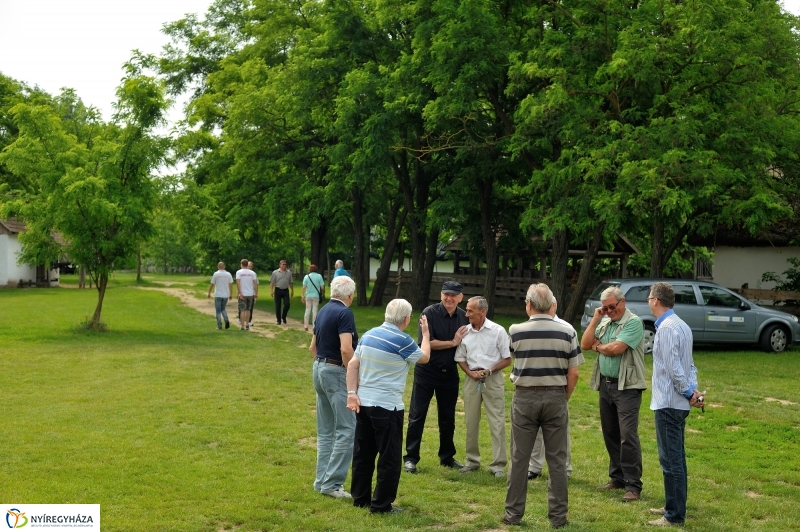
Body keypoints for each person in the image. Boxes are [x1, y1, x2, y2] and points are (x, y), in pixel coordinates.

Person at [504, 283, 582, 529]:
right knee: (557, 461)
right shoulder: (568, 332)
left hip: (525, 397)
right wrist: (562, 397)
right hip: (556, 396)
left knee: (519, 458)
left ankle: (513, 514)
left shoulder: (515, 331)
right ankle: (558, 518)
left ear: (529, 305)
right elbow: (574, 373)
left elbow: (511, 359)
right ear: (551, 305)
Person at [346, 300, 431, 514]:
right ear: (406, 319)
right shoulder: (403, 340)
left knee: (363, 453)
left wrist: (352, 393)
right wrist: (426, 335)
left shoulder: (368, 335)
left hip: (364, 403)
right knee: (389, 458)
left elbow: (353, 364)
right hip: (387, 406)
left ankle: (360, 499)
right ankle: (382, 505)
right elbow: (425, 358)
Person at [581, 286, 647, 502]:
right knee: (610, 432)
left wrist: (598, 347)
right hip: (606, 385)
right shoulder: (604, 322)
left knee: (628, 435)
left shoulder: (634, 322)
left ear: (623, 302)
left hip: (627, 386)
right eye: (605, 308)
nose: (609, 311)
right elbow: (585, 344)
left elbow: (616, 349)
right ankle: (617, 478)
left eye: (612, 307)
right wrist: (595, 319)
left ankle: (633, 485)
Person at [647, 282, 702, 527]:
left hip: (669, 402)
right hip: (677, 402)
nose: (649, 302)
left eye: (649, 298)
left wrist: (689, 391)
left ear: (656, 300)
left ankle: (674, 515)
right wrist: (693, 391)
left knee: (671, 461)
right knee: (675, 457)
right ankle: (673, 504)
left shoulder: (667, 328)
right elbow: (690, 365)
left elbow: (674, 368)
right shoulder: (681, 325)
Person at [403, 281, 469, 473]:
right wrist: (453, 342)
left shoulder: (464, 317)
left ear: (460, 297)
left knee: (448, 417)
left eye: (453, 295)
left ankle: (447, 457)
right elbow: (426, 343)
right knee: (417, 415)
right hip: (427, 371)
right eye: (446, 294)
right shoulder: (429, 313)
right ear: (441, 295)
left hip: (450, 373)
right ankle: (411, 458)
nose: (449, 298)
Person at [311, 276, 358, 499]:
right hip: (336, 370)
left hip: (319, 368)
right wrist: (352, 375)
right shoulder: (344, 313)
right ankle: (332, 484)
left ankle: (322, 481)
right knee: (347, 430)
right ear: (350, 295)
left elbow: (313, 347)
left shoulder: (322, 311)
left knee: (326, 431)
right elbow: (346, 349)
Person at [454, 296, 511, 478]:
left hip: (492, 379)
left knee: (497, 421)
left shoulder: (498, 331)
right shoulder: (465, 332)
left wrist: (490, 370)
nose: (466, 314)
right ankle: (472, 461)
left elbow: (507, 359)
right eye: (467, 310)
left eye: (470, 311)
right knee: (470, 421)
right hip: (471, 379)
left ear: (482, 311)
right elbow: (460, 358)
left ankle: (498, 465)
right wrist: (470, 373)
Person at [528, 300, 577, 480]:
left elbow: (573, 370)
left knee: (559, 433)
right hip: (533, 388)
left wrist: (565, 395)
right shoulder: (528, 327)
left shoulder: (566, 329)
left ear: (554, 306)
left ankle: (564, 469)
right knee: (535, 430)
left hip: (555, 389)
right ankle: (534, 467)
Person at [207, 262, 233, 330]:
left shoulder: (216, 274)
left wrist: (209, 292)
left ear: (218, 267)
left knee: (218, 311)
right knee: (223, 309)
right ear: (224, 266)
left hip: (218, 294)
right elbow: (231, 284)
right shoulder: (228, 274)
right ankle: (226, 319)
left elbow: (212, 284)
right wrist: (230, 294)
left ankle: (219, 325)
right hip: (225, 295)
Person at [235, 259, 258, 331]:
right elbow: (255, 283)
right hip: (250, 293)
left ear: (241, 264)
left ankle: (242, 326)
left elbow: (238, 283)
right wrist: (256, 293)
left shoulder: (239, 272)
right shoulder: (252, 273)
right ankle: (247, 323)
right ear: (247, 264)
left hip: (243, 293)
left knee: (242, 310)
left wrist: (239, 293)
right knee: (248, 309)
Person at [302, 265, 326, 332]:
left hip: (308, 296)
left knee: (307, 311)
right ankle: (314, 327)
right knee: (315, 311)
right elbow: (322, 287)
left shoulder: (306, 277)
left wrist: (302, 296)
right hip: (316, 296)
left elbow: (304, 287)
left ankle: (306, 326)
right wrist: (322, 293)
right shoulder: (319, 276)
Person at [270, 259, 294, 325]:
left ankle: (283, 316)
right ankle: (278, 320)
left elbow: (291, 282)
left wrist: (292, 291)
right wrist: (271, 291)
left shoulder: (289, 273)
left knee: (287, 304)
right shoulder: (275, 272)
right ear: (280, 265)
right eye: (283, 264)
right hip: (278, 290)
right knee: (278, 306)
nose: (284, 265)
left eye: (285, 264)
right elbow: (272, 282)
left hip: (285, 290)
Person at [247, 261, 258, 326]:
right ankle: (241, 318)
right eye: (249, 266)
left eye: (251, 266)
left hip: (252, 292)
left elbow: (256, 284)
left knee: (250, 307)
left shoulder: (254, 274)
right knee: (243, 307)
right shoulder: (242, 273)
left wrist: (256, 293)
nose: (250, 267)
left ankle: (249, 320)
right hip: (244, 293)